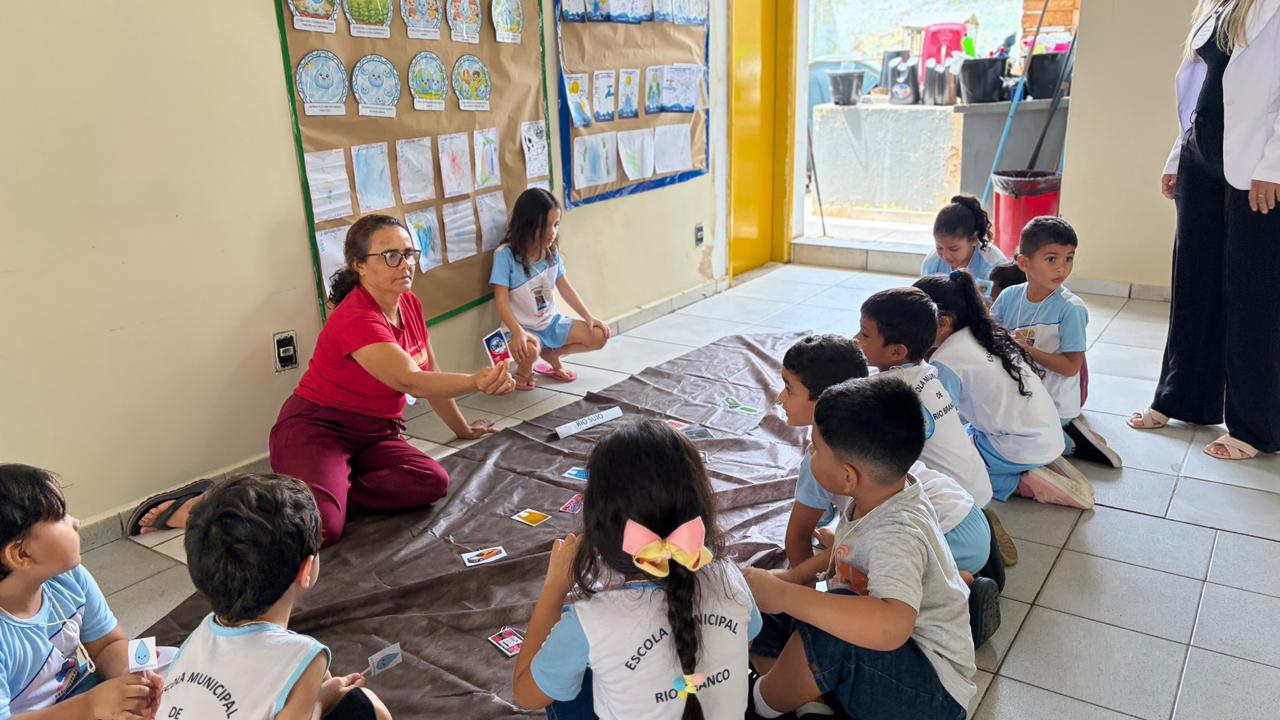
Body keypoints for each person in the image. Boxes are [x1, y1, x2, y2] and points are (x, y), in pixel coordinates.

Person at [130, 214, 515, 544]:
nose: (405, 265)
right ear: (359, 264)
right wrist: (477, 381)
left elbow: (428, 370)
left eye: (409, 253)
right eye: (391, 256)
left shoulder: (409, 303)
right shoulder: (355, 318)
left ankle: (319, 491)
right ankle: (208, 504)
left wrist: (463, 430)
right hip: (317, 428)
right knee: (324, 529)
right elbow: (410, 381)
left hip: (376, 433)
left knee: (431, 482)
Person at [745, 376, 979, 720]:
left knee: (824, 619)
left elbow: (891, 627)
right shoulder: (881, 497)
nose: (810, 455)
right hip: (890, 665)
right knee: (775, 608)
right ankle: (810, 705)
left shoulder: (898, 531)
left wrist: (787, 596)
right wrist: (789, 582)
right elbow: (845, 551)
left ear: (847, 477)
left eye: (815, 449)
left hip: (932, 698)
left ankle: (760, 703)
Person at [512, 420, 761, 719]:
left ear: (599, 527)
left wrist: (554, 588)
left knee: (565, 684)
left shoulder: (590, 623)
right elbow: (745, 640)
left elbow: (526, 694)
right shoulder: (730, 577)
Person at [1130, 0, 1280, 461]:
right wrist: (1178, 157)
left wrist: (1274, 166)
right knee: (1193, 281)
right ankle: (1184, 398)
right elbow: (1200, 87)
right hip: (1202, 157)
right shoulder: (1217, 4)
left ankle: (1256, 426)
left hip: (1257, 166)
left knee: (1251, 293)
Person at [158, 473, 392, 720]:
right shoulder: (307, 655)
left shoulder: (201, 634)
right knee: (367, 706)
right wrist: (325, 697)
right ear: (305, 571)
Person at [776, 335, 994, 581]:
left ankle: (960, 585)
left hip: (942, 535)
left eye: (789, 389)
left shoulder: (822, 459)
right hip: (969, 515)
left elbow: (797, 536)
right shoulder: (879, 420)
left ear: (825, 401)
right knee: (854, 549)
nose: (780, 398)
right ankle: (957, 572)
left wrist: (799, 592)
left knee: (854, 587)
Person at [914, 271, 1093, 509]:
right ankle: (1043, 461)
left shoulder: (947, 359)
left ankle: (1025, 482)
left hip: (1019, 445)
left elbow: (942, 420)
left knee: (951, 470)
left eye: (915, 323)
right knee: (969, 433)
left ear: (943, 322)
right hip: (1044, 434)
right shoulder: (989, 334)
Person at [0, 464, 164, 720]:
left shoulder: (68, 578)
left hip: (87, 697)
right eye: (60, 517)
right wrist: (90, 706)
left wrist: (131, 676)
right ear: (21, 553)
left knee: (176, 667)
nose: (75, 523)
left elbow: (107, 645)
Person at [991, 217, 1120, 468]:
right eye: (1051, 259)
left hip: (1054, 404)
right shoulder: (1009, 297)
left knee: (1010, 439)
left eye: (1069, 258)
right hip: (1021, 394)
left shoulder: (1070, 309)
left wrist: (1029, 350)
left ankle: (1070, 441)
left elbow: (1071, 367)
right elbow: (990, 334)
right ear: (1023, 262)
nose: (1062, 268)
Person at [857, 288, 993, 507]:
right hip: (979, 491)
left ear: (896, 352)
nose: (856, 339)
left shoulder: (886, 390)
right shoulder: (925, 370)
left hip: (955, 506)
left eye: (864, 334)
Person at [491, 188, 610, 391]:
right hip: (521, 330)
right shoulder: (505, 255)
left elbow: (566, 289)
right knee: (530, 349)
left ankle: (552, 355)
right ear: (527, 224)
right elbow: (500, 301)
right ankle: (524, 370)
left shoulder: (551, 253)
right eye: (545, 226)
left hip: (551, 323)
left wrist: (589, 317)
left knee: (599, 335)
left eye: (555, 225)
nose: (552, 232)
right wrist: (518, 332)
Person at [920, 195, 1008, 299]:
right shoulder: (932, 263)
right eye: (939, 247)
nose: (945, 255)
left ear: (974, 239)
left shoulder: (993, 265)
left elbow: (997, 309)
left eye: (954, 249)